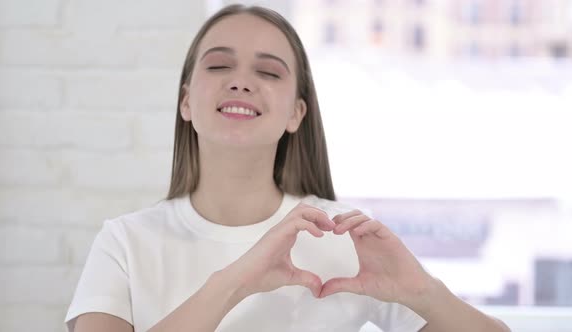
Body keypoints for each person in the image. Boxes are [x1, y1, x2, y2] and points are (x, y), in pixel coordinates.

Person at [65, 4, 511, 332]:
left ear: (296, 114)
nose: (240, 80)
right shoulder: (124, 243)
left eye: (270, 73)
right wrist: (236, 281)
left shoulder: (340, 239)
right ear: (186, 101)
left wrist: (424, 295)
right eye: (219, 64)